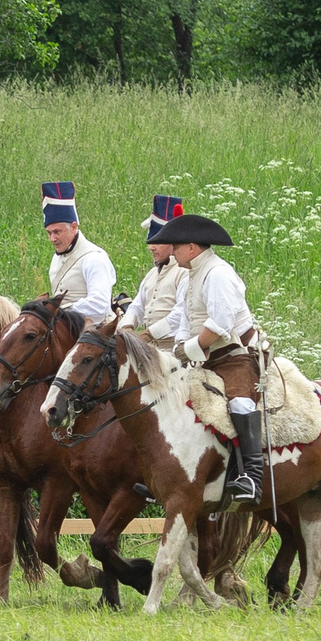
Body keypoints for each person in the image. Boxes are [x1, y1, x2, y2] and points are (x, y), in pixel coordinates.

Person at [157, 208, 271, 507]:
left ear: (192, 248)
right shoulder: (193, 275)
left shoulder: (218, 273)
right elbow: (184, 319)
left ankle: (252, 477)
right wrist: (179, 353)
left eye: (177, 246)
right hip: (207, 358)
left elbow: (219, 325)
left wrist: (187, 349)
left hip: (236, 356)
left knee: (239, 402)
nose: (173, 251)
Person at [40, 182, 117, 322]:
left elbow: (99, 307)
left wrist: (57, 313)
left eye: (57, 232)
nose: (52, 238)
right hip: (65, 331)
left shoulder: (94, 258)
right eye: (49, 233)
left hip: (94, 335)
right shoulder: (56, 258)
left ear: (74, 227)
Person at [128, 195, 187, 346]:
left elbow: (180, 313)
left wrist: (149, 334)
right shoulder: (151, 274)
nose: (151, 247)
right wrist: (126, 328)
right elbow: (137, 307)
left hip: (174, 350)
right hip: (150, 349)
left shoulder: (185, 273)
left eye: (158, 242)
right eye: (150, 242)